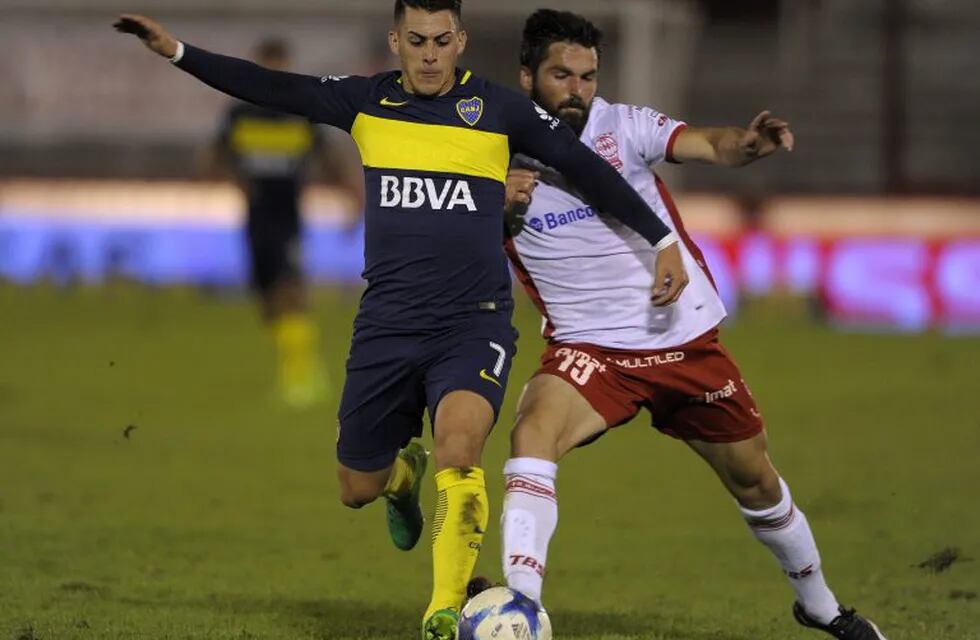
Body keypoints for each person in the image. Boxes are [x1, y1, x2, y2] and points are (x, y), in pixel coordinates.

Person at [113, 2, 689, 638]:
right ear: (396, 41)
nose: (430, 54)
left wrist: (662, 239)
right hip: (387, 323)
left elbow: (587, 170)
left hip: (473, 320)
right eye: (417, 41)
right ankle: (401, 477)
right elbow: (272, 87)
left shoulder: (499, 110)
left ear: (460, 41)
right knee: (356, 485)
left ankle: (443, 609)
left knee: (462, 451)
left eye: (443, 41)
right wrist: (177, 51)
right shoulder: (365, 103)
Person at [497, 9, 887, 640]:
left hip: (680, 339)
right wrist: (504, 212)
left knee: (755, 479)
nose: (578, 90)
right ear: (527, 77)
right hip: (590, 349)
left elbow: (709, 143)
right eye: (561, 75)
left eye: (588, 76)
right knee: (531, 437)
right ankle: (522, 608)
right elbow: (472, 238)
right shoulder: (489, 156)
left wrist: (749, 144)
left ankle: (820, 605)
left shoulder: (623, 126)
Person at [205, 37, 332, 409]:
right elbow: (214, 155)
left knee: (289, 289)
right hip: (256, 217)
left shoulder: (301, 111)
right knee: (267, 299)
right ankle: (295, 369)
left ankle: (303, 376)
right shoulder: (240, 114)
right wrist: (234, 180)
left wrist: (352, 196)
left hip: (288, 215)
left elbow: (327, 157)